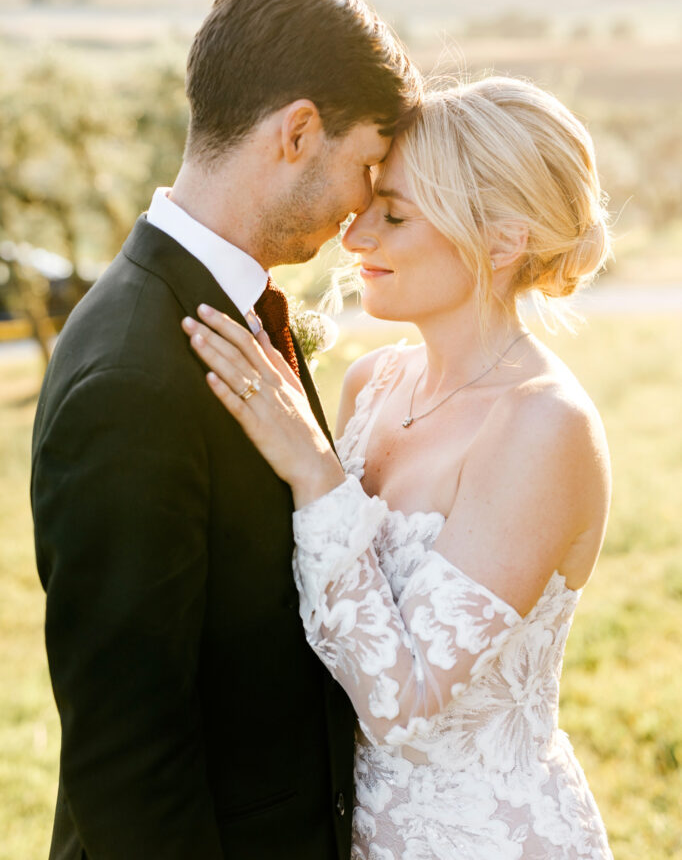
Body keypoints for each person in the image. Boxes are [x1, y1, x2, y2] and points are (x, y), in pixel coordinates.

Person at [31, 0, 421, 860]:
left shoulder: (214, 309)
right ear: (297, 133)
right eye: (366, 165)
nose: (362, 207)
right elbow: (127, 755)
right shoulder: (133, 375)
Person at [183, 76, 614, 859]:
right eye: (367, 205)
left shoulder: (545, 426)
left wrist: (316, 476)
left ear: (502, 240)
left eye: (395, 215)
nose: (355, 240)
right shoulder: (370, 384)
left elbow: (402, 706)